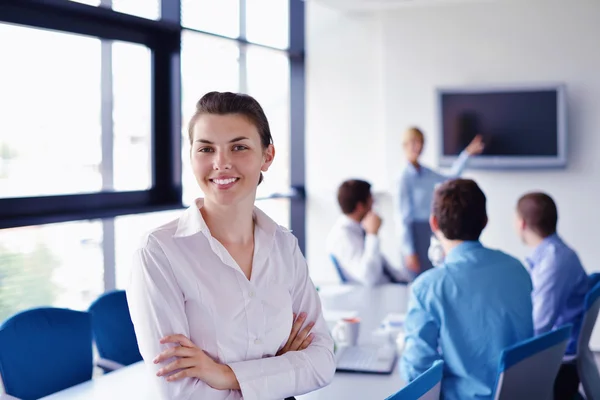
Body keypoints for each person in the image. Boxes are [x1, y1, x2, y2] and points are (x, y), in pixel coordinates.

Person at [126, 92, 335, 400]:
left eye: (239, 147)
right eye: (206, 149)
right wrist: (280, 371)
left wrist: (224, 375)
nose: (221, 163)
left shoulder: (283, 246)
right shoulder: (158, 253)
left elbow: (322, 362)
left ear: (268, 155)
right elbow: (180, 392)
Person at [400, 179, 533, 400]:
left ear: (434, 223)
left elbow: (416, 374)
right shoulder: (517, 269)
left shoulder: (427, 287)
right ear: (485, 221)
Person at [515, 192, 589, 399]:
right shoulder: (551, 255)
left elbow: (540, 325)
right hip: (558, 358)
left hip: (558, 368)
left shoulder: (555, 261)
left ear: (521, 223)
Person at [396, 127, 484, 277]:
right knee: (417, 279)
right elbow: (402, 218)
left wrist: (467, 154)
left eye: (420, 142)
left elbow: (451, 177)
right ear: (404, 145)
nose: (417, 146)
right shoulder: (403, 179)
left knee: (434, 275)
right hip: (413, 234)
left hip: (431, 231)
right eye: (413, 142)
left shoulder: (427, 173)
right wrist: (409, 251)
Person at [326, 179, 407, 286]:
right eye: (371, 200)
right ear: (360, 206)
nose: (374, 204)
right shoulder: (342, 236)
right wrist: (372, 235)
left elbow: (387, 270)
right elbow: (370, 277)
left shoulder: (358, 230)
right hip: (375, 295)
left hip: (391, 289)